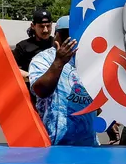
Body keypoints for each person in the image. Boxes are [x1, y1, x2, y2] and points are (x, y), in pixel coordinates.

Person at [28, 17, 99, 146]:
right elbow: (40, 91)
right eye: (65, 34)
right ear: (56, 36)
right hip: (54, 143)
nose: (70, 39)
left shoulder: (90, 60)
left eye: (75, 34)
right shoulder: (43, 59)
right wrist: (59, 62)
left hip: (88, 143)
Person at [13, 9, 55, 85]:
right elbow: (12, 69)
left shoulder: (56, 44)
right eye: (41, 26)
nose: (45, 30)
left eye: (48, 26)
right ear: (33, 26)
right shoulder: (22, 47)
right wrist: (33, 77)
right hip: (31, 91)